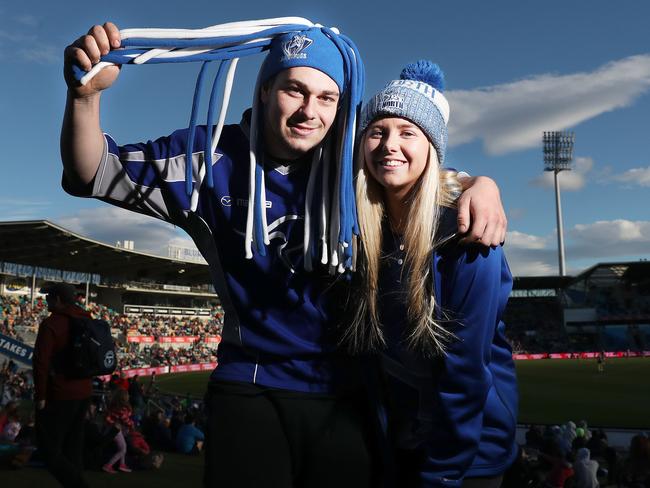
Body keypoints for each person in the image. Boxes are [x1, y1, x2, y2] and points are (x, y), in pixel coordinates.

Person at [62, 21, 507, 488]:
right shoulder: (207, 155)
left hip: (347, 392)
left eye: (327, 98)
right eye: (295, 90)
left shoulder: (349, 157)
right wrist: (84, 98)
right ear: (266, 87)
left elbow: (415, 166)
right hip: (251, 384)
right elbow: (90, 172)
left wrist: (480, 185)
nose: (308, 112)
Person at [350, 60, 518, 487]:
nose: (390, 144)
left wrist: (442, 476)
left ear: (432, 150)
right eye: (378, 131)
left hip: (465, 459)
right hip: (399, 446)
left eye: (408, 133)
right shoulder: (364, 231)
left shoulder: (467, 238)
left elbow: (466, 376)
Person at [33, 282, 92, 488]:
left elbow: (41, 363)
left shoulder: (51, 324)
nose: (46, 299)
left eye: (48, 296)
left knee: (49, 450)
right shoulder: (86, 318)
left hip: (60, 394)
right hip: (84, 392)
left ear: (58, 299)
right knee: (73, 449)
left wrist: (41, 397)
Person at [103, 388, 134, 473]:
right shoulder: (122, 408)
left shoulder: (114, 405)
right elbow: (125, 419)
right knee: (123, 448)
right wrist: (131, 424)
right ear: (124, 397)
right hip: (115, 429)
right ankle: (108, 465)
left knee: (122, 446)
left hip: (112, 428)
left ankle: (122, 464)